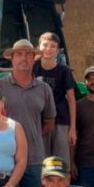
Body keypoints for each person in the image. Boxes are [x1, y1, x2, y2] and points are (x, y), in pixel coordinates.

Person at [0, 39, 57, 187]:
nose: (24, 58)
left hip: (34, 159)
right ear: (12, 59)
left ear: (34, 58)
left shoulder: (44, 89)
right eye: (19, 54)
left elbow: (49, 123)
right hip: (5, 159)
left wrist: (29, 136)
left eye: (28, 54)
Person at [35, 32, 78, 166]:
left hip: (61, 120)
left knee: (61, 160)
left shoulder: (64, 71)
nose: (48, 49)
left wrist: (72, 128)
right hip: (40, 121)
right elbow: (17, 68)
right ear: (39, 47)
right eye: (45, 45)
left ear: (58, 50)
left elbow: (71, 99)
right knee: (42, 160)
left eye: (53, 46)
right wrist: (0, 69)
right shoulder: (33, 69)